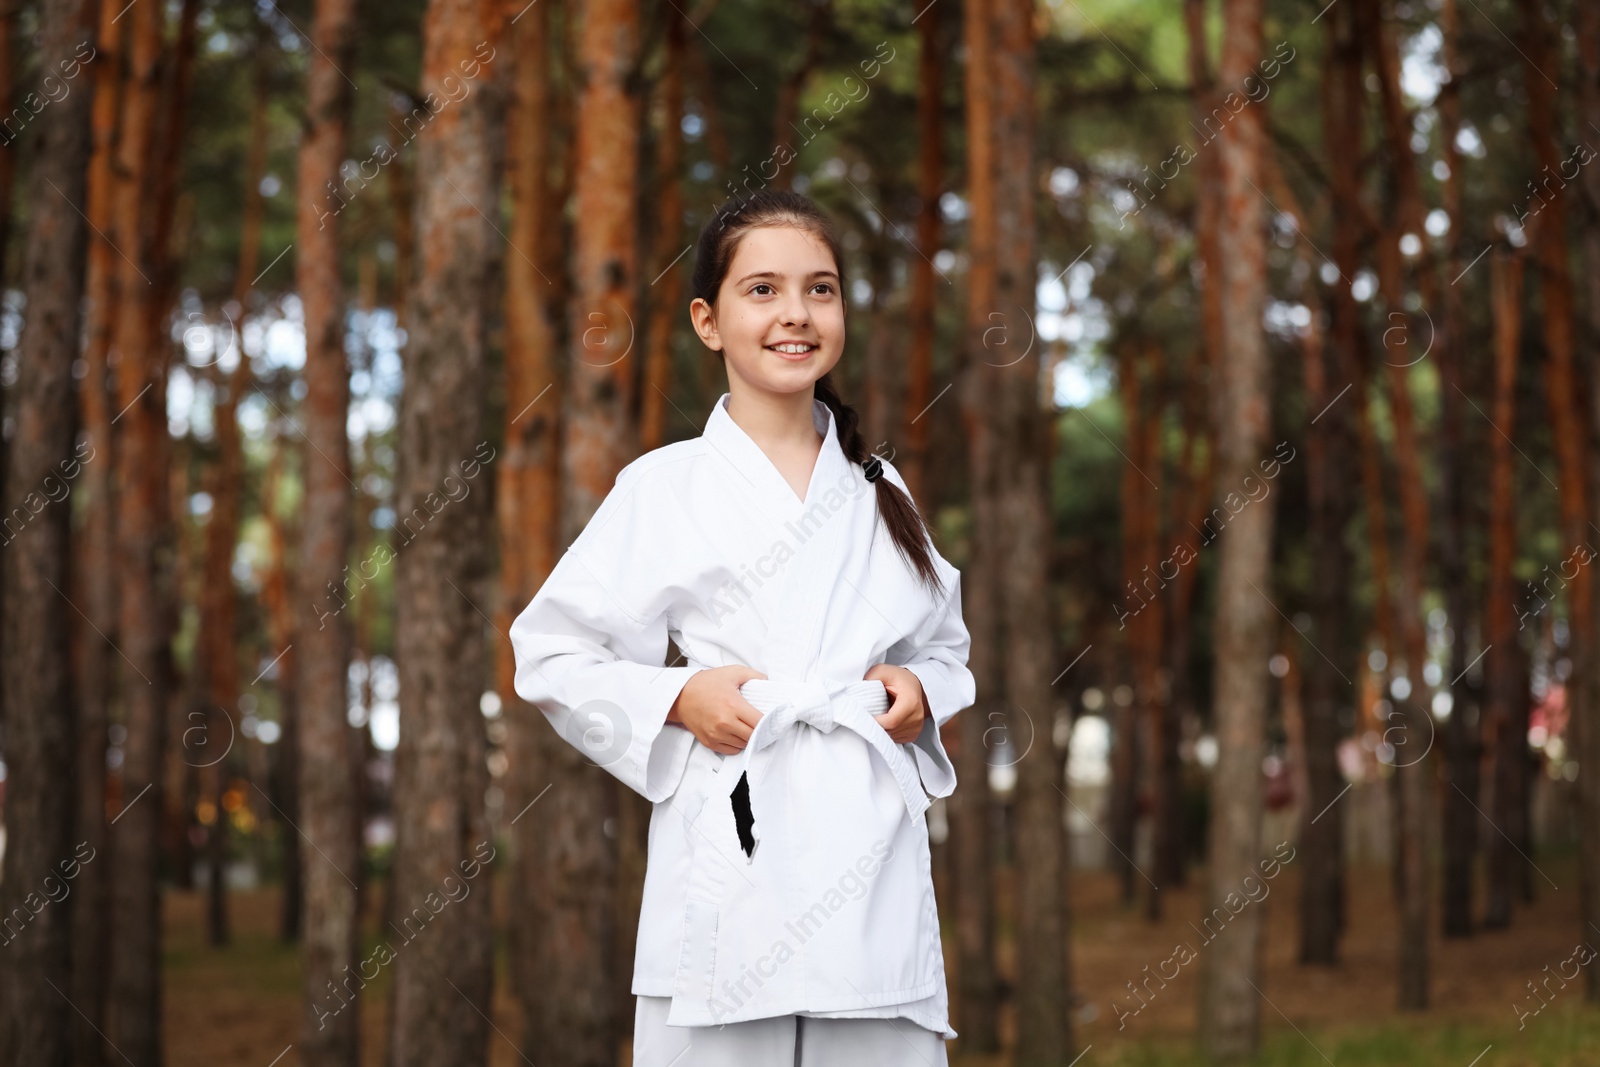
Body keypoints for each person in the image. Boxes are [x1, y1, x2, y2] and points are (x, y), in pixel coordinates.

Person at [509, 189, 975, 1066]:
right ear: (708, 319)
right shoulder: (664, 486)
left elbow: (943, 649)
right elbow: (551, 651)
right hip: (725, 874)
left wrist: (919, 690)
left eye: (821, 289)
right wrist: (678, 694)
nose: (795, 313)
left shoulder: (882, 489)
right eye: (762, 289)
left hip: (866, 869)